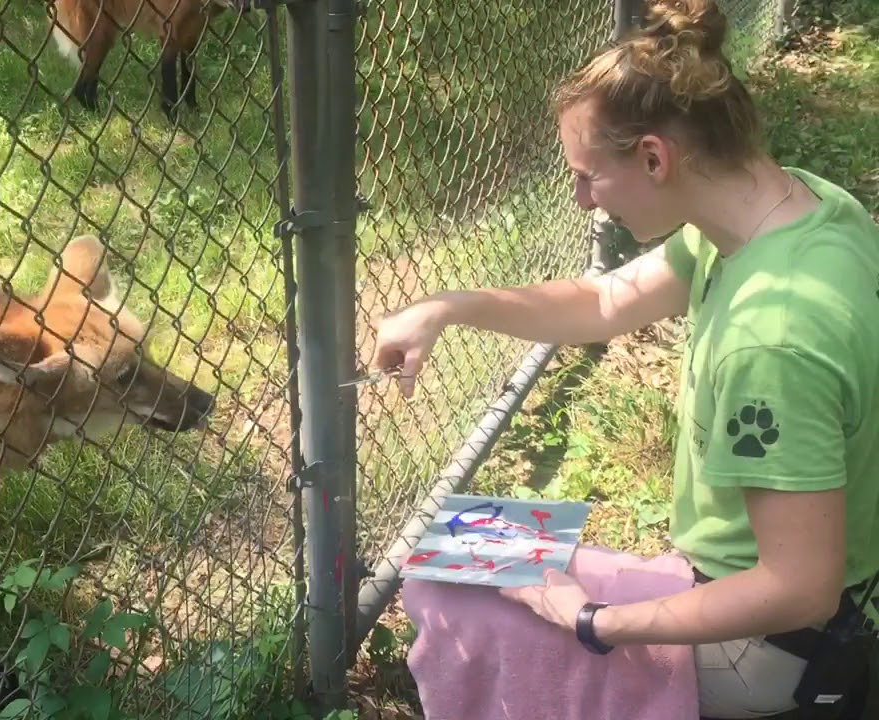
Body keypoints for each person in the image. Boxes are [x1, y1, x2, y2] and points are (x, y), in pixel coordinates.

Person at [371, 0, 879, 717]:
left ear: (653, 158)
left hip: (777, 647)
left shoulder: (770, 339)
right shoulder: (792, 209)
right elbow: (606, 300)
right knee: (458, 542)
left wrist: (593, 621)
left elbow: (799, 589)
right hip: (791, 600)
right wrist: (447, 306)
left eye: (587, 176)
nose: (582, 201)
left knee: (448, 590)